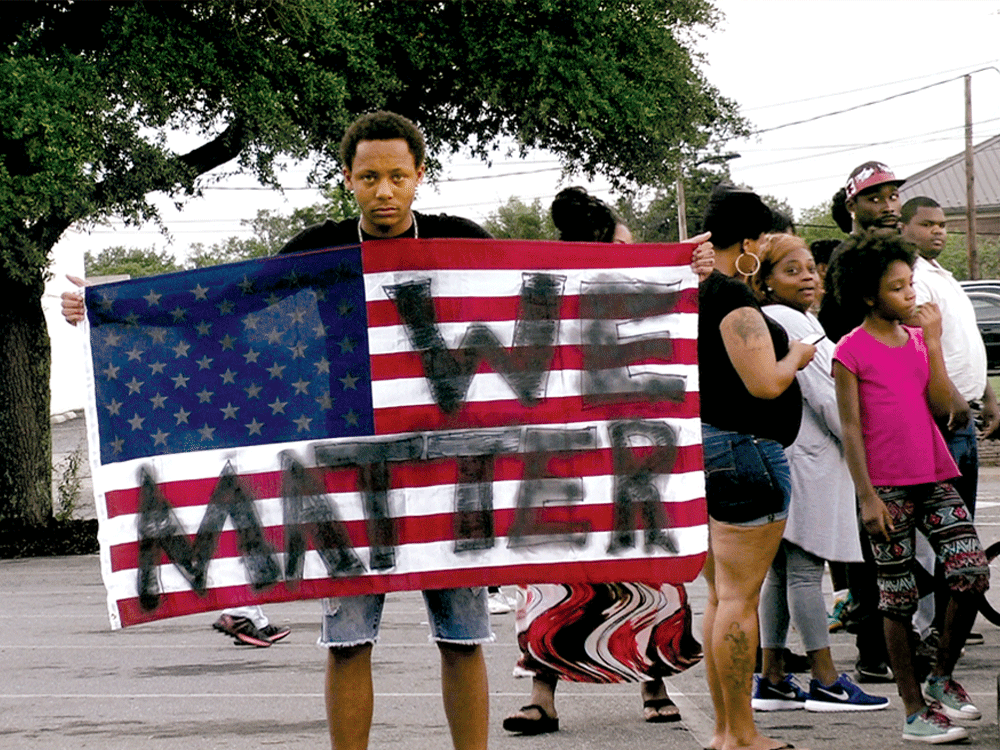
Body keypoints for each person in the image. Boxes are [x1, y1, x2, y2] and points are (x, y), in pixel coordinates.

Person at [64, 111, 494, 750]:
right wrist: (110, 302)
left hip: (444, 462)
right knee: (348, 641)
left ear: (418, 177)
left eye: (397, 176)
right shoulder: (320, 247)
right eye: (369, 176)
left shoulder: (460, 239)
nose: (383, 190)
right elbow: (232, 297)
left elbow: (563, 286)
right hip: (346, 460)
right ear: (347, 177)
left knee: (464, 638)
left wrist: (679, 273)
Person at [501, 187, 707, 735]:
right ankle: (545, 695)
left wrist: (687, 272)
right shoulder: (541, 292)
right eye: (625, 247)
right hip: (565, 459)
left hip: (629, 455)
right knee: (556, 577)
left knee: (641, 570)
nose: (633, 254)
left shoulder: (638, 298)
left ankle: (651, 682)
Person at [831, 230, 989, 744]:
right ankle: (914, 709)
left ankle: (941, 676)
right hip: (887, 489)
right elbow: (851, 430)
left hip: (933, 475)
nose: (911, 297)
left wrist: (936, 344)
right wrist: (866, 497)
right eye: (898, 289)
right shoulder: (850, 351)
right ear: (868, 296)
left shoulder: (920, 340)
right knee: (895, 600)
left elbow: (951, 407)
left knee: (970, 571)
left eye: (911, 285)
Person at [698, 183, 816, 750]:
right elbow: (764, 382)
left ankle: (727, 728)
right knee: (739, 599)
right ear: (747, 242)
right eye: (762, 240)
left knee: (722, 598)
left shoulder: (694, 292)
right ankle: (742, 735)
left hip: (702, 451)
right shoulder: (732, 300)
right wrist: (796, 354)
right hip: (746, 451)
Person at [748, 233, 887, 713]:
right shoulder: (791, 323)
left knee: (782, 573)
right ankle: (826, 678)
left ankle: (772, 676)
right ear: (764, 282)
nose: (808, 276)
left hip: (790, 456)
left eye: (811, 268)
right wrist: (863, 439)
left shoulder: (787, 318)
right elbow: (826, 397)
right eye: (792, 270)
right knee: (806, 571)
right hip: (810, 459)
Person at [817, 161, 906, 685]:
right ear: (853, 205)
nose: (889, 205)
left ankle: (900, 637)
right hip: (862, 424)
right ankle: (875, 648)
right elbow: (840, 350)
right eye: (876, 198)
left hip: (905, 418)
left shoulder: (897, 256)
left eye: (894, 196)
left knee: (900, 541)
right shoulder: (849, 263)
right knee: (875, 545)